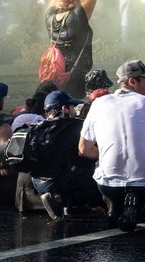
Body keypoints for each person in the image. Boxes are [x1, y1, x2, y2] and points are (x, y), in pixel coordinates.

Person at [78, 60, 145, 231]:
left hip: (108, 184)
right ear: (132, 81)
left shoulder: (98, 104)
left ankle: (114, 203)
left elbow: (83, 149)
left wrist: (106, 151)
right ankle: (142, 209)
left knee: (104, 176)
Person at [31, 90, 99, 220]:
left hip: (37, 181)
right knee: (99, 178)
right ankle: (59, 198)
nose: (74, 110)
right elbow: (86, 151)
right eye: (72, 107)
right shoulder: (74, 125)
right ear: (65, 108)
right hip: (55, 181)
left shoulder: (38, 126)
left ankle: (70, 205)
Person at [45, 0, 97, 99]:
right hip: (76, 70)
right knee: (73, 104)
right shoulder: (78, 15)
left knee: (55, 101)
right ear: (75, 0)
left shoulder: (49, 16)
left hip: (55, 69)